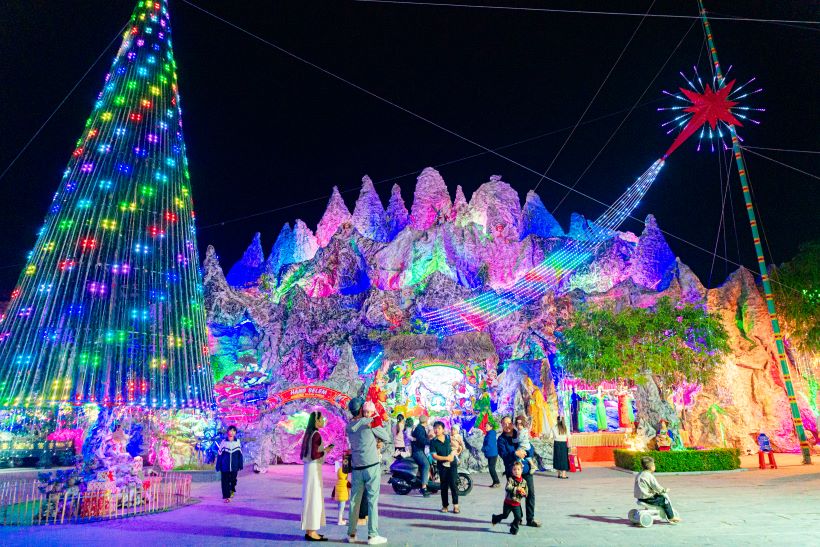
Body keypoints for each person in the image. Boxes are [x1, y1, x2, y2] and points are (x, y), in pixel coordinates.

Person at [345, 396, 389, 545]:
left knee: (354, 501)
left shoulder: (349, 427)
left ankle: (351, 534)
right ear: (361, 410)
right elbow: (386, 436)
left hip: (357, 468)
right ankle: (372, 535)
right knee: (372, 501)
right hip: (371, 467)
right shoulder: (369, 424)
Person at [497, 416, 541, 527]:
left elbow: (530, 447)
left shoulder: (520, 433)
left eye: (509, 423)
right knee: (515, 495)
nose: (507, 426)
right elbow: (504, 455)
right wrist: (515, 454)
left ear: (513, 424)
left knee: (530, 494)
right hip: (513, 472)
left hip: (525, 469)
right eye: (504, 424)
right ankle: (518, 518)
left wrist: (527, 453)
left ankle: (530, 519)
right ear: (501, 425)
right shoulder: (501, 440)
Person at [301, 411, 332, 541]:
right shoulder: (316, 434)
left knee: (309, 498)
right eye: (321, 419)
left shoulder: (308, 434)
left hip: (309, 468)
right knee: (314, 499)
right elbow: (315, 455)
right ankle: (312, 532)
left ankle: (309, 531)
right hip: (314, 468)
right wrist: (326, 451)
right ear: (316, 421)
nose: (323, 421)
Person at [634, 456, 681, 523]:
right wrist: (664, 490)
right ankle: (671, 517)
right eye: (654, 465)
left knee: (656, 496)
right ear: (652, 467)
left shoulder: (640, 474)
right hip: (648, 498)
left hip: (640, 497)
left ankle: (647, 509)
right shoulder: (649, 476)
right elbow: (656, 487)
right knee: (665, 500)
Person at [490, 460, 527, 535]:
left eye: (518, 469)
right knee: (505, 515)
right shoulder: (510, 480)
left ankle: (514, 529)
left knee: (518, 517)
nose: (516, 471)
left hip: (516, 503)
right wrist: (517, 489)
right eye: (514, 469)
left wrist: (524, 493)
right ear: (512, 471)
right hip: (508, 502)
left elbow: (526, 492)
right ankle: (495, 518)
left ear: (521, 470)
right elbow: (507, 488)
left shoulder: (524, 482)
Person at [430, 421, 459, 513]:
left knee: (453, 484)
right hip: (442, 466)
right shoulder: (433, 442)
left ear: (443, 429)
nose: (436, 430)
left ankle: (456, 505)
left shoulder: (448, 438)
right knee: (444, 486)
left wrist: (454, 454)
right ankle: (445, 506)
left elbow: (458, 447)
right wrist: (446, 458)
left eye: (439, 428)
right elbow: (434, 456)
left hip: (452, 464)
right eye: (435, 428)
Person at [215, 425, 243, 503]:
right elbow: (220, 455)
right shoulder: (223, 442)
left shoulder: (237, 442)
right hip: (225, 466)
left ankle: (232, 490)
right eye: (230, 430)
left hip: (234, 466)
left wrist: (240, 464)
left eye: (234, 431)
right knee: (225, 481)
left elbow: (240, 454)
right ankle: (227, 497)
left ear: (235, 432)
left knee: (233, 480)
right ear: (228, 432)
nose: (232, 432)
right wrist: (218, 465)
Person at [411, 415, 431, 497]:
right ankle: (423, 487)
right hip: (417, 451)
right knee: (426, 464)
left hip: (420, 450)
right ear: (426, 421)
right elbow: (421, 440)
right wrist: (431, 442)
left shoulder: (420, 428)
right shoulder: (420, 428)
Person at [334, 454, 351, 526]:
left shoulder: (338, 481)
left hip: (338, 497)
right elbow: (351, 487)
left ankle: (340, 519)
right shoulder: (346, 482)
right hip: (343, 498)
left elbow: (334, 489)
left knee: (339, 509)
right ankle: (340, 521)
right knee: (341, 510)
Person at [482, 422, 501, 487]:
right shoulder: (489, 433)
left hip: (492, 453)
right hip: (491, 453)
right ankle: (495, 482)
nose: (486, 427)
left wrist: (484, 449)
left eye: (487, 426)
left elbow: (490, 445)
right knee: (491, 469)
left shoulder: (491, 434)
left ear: (491, 427)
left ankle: (497, 482)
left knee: (492, 469)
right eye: (485, 426)